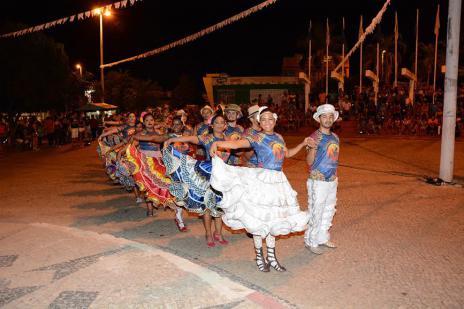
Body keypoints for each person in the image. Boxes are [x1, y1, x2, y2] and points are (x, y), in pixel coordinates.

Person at [209, 107, 310, 272]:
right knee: (259, 220)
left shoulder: (279, 137)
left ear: (275, 121)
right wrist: (218, 143)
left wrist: (303, 143)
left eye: (270, 119)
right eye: (263, 119)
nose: (267, 122)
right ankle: (259, 256)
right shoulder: (256, 137)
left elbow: (288, 154)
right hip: (262, 180)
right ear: (259, 122)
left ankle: (271, 257)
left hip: (278, 181)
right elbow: (237, 144)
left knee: (274, 220)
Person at [162, 113, 230, 247]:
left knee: (220, 206)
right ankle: (209, 234)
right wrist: (171, 140)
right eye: (217, 122)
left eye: (222, 122)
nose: (220, 125)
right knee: (207, 207)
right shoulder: (207, 138)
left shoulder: (229, 140)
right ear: (211, 125)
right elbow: (191, 138)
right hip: (207, 174)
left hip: (223, 176)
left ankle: (219, 233)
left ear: (225, 125)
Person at [304, 104, 340, 255]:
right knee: (316, 211)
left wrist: (335, 175)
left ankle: (322, 237)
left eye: (330, 116)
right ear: (319, 118)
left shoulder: (335, 137)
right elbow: (309, 162)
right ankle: (311, 241)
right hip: (317, 180)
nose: (328, 119)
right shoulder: (314, 137)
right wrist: (312, 147)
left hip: (331, 179)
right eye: (324, 116)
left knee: (328, 210)